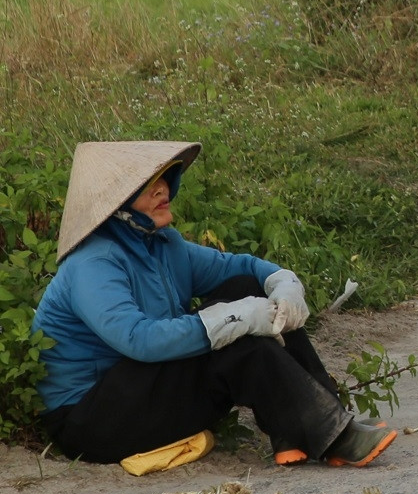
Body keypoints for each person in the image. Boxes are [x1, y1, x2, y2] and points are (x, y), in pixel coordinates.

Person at [32, 140, 395, 471]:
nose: (162, 190)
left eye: (163, 178)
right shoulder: (92, 263)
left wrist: (283, 284)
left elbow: (243, 268)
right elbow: (139, 340)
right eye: (145, 186)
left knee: (245, 286)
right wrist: (233, 319)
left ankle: (312, 422)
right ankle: (330, 435)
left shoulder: (162, 244)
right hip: (90, 419)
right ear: (114, 205)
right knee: (237, 343)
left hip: (141, 387)